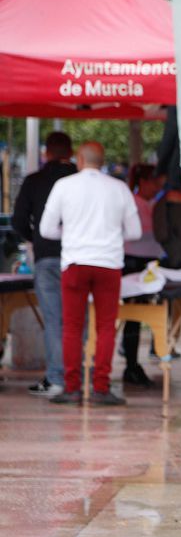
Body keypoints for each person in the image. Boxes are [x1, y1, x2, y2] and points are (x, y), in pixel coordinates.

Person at [40, 141, 141, 406]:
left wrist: (71, 233)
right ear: (102, 159)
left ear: (79, 160)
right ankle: (101, 387)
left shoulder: (64, 186)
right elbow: (135, 232)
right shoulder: (119, 188)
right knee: (106, 326)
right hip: (109, 264)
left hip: (74, 262)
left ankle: (72, 387)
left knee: (72, 326)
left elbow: (46, 230)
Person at [11, 131, 77, 397]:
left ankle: (56, 378)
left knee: (53, 320)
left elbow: (18, 221)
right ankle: (79, 374)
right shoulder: (81, 180)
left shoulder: (34, 181)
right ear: (71, 153)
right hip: (79, 257)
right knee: (78, 319)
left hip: (47, 256)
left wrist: (35, 239)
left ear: (46, 153)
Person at [121, 164, 165, 387]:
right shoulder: (133, 203)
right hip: (133, 261)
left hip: (150, 262)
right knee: (134, 315)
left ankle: (135, 359)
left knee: (147, 313)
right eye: (154, 182)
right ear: (144, 182)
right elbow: (142, 232)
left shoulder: (154, 203)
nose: (158, 187)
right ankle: (131, 363)